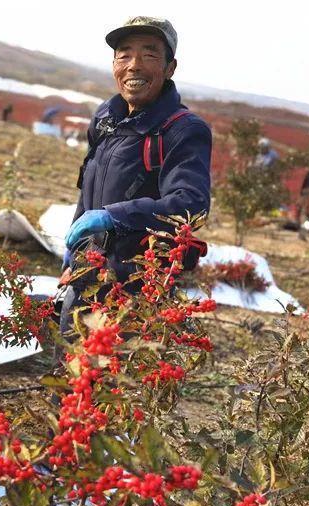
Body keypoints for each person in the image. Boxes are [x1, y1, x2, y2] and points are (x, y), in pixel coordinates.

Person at [60, 16, 212, 335]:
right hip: (86, 275)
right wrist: (73, 251)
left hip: (135, 291)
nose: (134, 65)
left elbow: (191, 204)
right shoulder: (105, 117)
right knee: (70, 362)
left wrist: (114, 216)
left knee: (115, 366)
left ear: (170, 68)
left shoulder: (183, 130)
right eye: (124, 54)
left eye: (149, 54)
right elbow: (87, 188)